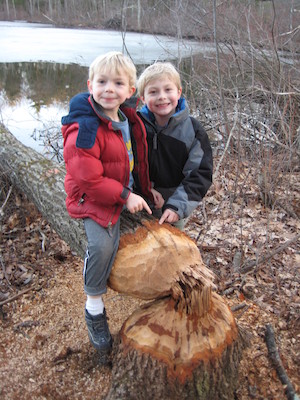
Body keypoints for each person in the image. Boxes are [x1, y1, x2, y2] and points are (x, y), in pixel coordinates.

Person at [61, 51, 153, 362]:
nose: (108, 89)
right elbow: (87, 178)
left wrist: (145, 191)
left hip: (118, 190)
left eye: (117, 83)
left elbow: (133, 160)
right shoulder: (85, 127)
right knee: (102, 245)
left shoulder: (128, 118)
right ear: (90, 85)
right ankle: (94, 308)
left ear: (130, 91)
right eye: (102, 82)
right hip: (90, 196)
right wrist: (125, 197)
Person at [137, 62, 213, 230]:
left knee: (170, 248)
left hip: (172, 203)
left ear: (178, 92)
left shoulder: (193, 131)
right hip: (139, 198)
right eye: (153, 92)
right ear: (143, 98)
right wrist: (144, 188)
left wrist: (177, 206)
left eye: (168, 90)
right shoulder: (136, 125)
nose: (161, 96)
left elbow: (199, 174)